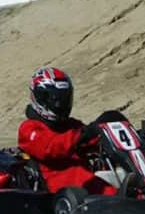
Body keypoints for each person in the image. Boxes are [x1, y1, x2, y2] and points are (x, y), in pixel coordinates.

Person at [18, 67, 121, 195]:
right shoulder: (29, 128)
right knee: (104, 188)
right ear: (40, 98)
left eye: (63, 99)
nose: (59, 104)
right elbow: (51, 147)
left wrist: (110, 132)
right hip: (62, 189)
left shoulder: (71, 125)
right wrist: (85, 134)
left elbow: (92, 141)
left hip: (86, 185)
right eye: (56, 100)